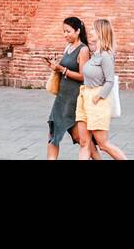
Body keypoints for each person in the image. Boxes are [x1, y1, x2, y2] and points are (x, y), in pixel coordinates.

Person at [77, 17, 126, 160]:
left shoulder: (106, 56)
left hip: (97, 100)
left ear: (100, 32)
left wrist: (98, 97)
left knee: (103, 144)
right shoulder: (95, 54)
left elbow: (110, 81)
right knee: (84, 142)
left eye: (93, 29)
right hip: (84, 98)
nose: (90, 32)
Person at [46, 17, 90, 160]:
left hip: (73, 98)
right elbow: (63, 69)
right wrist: (55, 67)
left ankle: (95, 156)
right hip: (61, 97)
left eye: (68, 31)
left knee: (80, 138)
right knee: (53, 134)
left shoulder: (83, 50)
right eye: (63, 31)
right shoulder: (68, 47)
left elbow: (83, 76)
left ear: (77, 31)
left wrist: (62, 69)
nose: (65, 34)